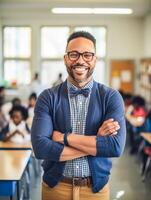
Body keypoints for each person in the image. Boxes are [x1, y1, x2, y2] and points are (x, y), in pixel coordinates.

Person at [31, 31, 126, 200]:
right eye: (73, 54)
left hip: (95, 190)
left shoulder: (111, 97)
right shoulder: (47, 97)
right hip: (55, 187)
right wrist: (96, 141)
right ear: (66, 58)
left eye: (87, 55)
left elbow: (115, 147)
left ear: (95, 59)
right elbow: (40, 148)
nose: (80, 60)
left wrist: (64, 138)